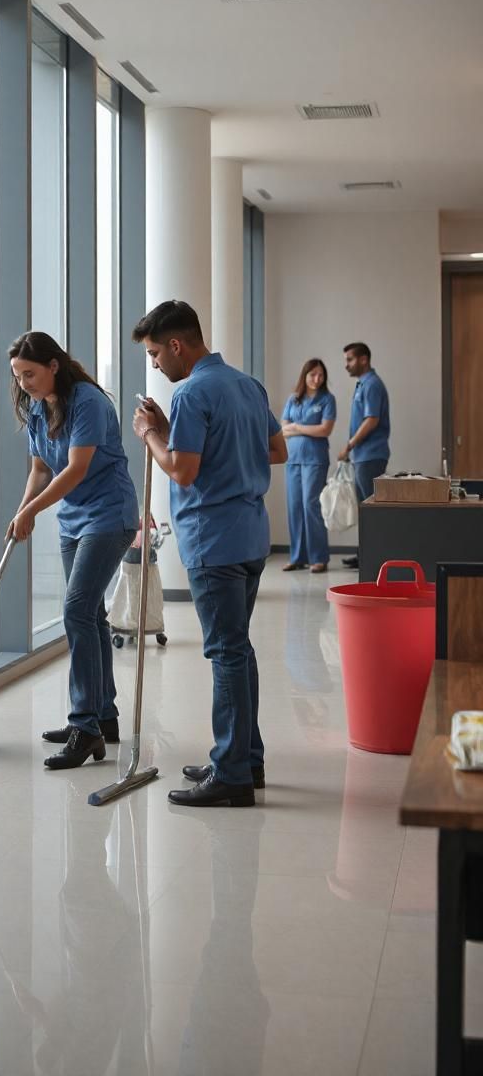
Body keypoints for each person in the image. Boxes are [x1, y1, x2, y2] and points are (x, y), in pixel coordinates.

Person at [131, 300, 287, 809]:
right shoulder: (247, 385)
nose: (155, 364)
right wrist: (183, 440)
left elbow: (182, 471)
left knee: (225, 653)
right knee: (239, 649)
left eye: (156, 353)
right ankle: (246, 756)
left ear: (177, 344)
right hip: (250, 536)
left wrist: (152, 435)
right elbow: (276, 450)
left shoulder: (193, 392)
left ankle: (231, 774)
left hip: (214, 541)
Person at [8, 331, 138, 770]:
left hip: (109, 515)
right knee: (91, 615)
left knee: (77, 611)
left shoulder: (88, 402)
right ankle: (103, 716)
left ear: (53, 366)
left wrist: (33, 513)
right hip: (74, 520)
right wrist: (24, 509)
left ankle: (84, 725)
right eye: (18, 376)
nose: (23, 382)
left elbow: (78, 468)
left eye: (30, 373)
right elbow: (42, 468)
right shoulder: (39, 409)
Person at [281, 358, 336, 573]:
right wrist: (302, 428)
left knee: (310, 505)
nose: (317, 379)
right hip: (293, 459)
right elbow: (283, 429)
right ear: (305, 375)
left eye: (321, 375)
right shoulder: (294, 399)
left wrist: (297, 427)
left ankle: (319, 557)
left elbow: (324, 430)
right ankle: (297, 557)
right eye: (313, 374)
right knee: (294, 507)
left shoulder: (327, 400)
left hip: (315, 459)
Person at [338, 342, 390, 569]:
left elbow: (371, 420)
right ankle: (365, 555)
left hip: (370, 456)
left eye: (349, 359)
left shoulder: (372, 385)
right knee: (365, 510)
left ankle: (373, 559)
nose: (346, 365)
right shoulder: (362, 385)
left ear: (363, 359)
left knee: (371, 511)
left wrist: (349, 446)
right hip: (362, 455)